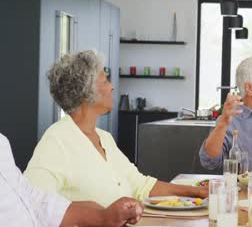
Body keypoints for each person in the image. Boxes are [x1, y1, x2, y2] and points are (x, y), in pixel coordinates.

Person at [24, 50, 207, 208]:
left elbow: (141, 186)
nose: (112, 86)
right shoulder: (56, 142)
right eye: (104, 81)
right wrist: (99, 217)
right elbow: (34, 204)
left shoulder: (104, 138)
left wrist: (199, 192)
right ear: (84, 92)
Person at [0, 133, 143, 227]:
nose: (112, 89)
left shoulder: (2, 143)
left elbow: (31, 200)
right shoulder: (56, 140)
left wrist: (104, 217)